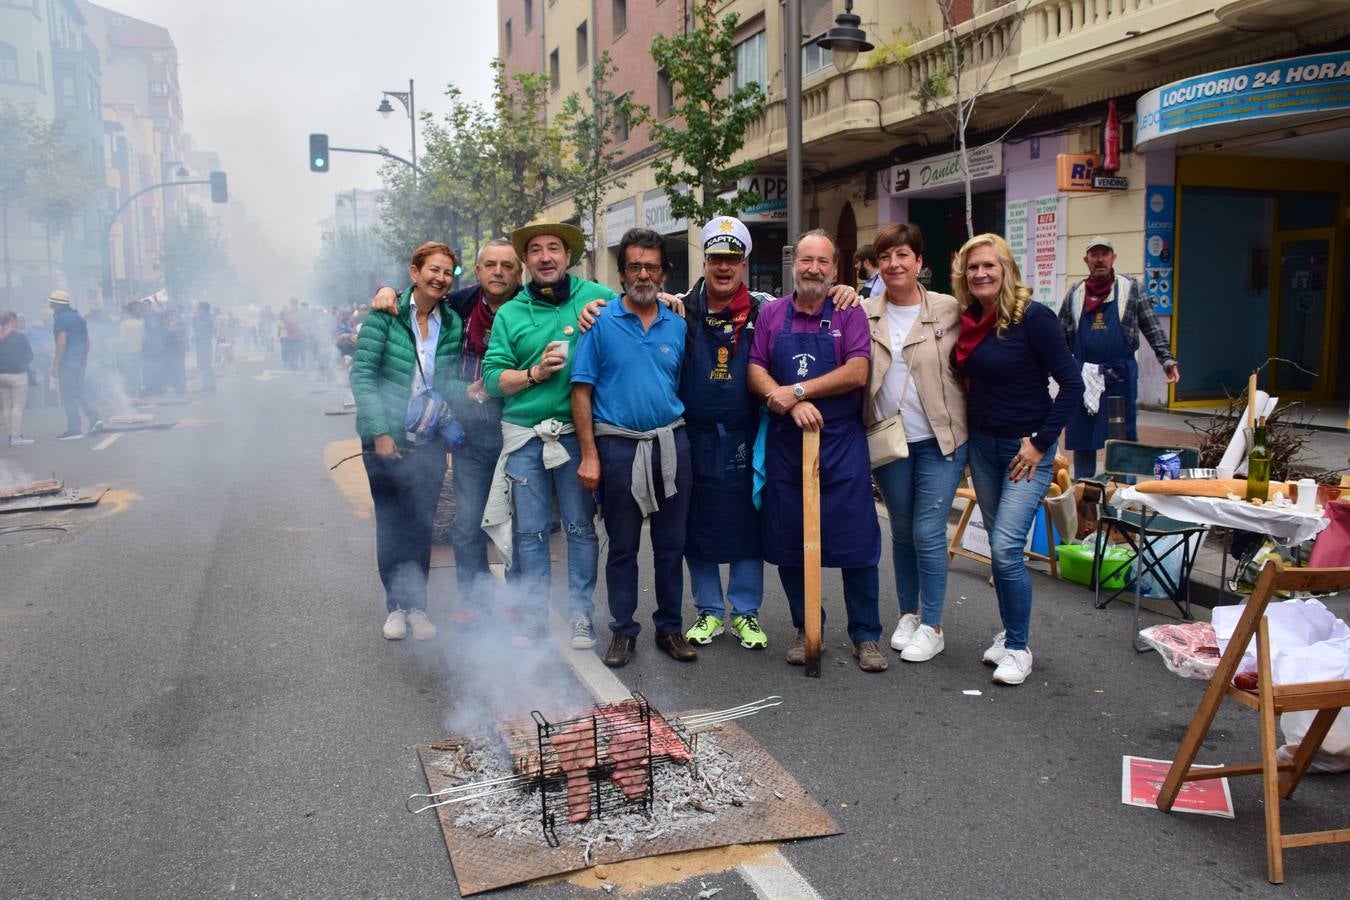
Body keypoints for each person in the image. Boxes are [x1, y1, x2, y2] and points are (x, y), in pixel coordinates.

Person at [747, 229, 887, 673]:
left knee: (858, 544)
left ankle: (866, 636)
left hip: (842, 443)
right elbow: (755, 370)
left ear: (834, 269)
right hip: (788, 444)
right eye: (806, 260)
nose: (813, 269)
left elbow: (857, 370)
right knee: (790, 542)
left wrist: (799, 390)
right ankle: (808, 628)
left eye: (823, 262)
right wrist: (783, 400)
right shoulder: (772, 315)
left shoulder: (850, 312)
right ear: (795, 265)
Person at [952, 233, 1083, 685]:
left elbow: (1072, 385)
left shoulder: (1034, 318)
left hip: (1025, 451)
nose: (981, 274)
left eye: (989, 265)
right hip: (984, 448)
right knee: (998, 549)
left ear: (1006, 269)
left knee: (1007, 548)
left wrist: (1041, 442)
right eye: (973, 268)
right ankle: (1009, 634)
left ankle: (1019, 647)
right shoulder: (971, 320)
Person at [371, 238, 525, 624]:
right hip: (471, 434)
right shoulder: (459, 306)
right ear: (477, 271)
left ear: (518, 272)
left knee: (525, 522)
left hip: (521, 429)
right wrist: (385, 290)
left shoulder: (533, 306)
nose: (498, 272)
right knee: (467, 521)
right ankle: (475, 602)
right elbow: (415, 295)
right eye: (490, 264)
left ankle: (524, 602)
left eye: (507, 265)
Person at [481, 223, 613, 647]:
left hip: (578, 435)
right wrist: (533, 373)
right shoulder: (511, 313)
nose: (545, 257)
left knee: (579, 527)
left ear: (567, 256)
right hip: (524, 434)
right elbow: (492, 378)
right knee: (531, 532)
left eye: (553, 248)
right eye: (535, 250)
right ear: (527, 261)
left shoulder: (597, 297)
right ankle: (534, 618)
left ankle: (580, 617)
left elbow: (641, 309)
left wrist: (669, 300)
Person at [571, 228, 694, 667]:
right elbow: (581, 392)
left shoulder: (677, 323)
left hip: (671, 445)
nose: (644, 273)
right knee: (622, 546)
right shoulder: (598, 322)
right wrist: (589, 455)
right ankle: (623, 631)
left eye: (652, 266)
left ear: (664, 272)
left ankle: (670, 628)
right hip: (619, 449)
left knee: (671, 545)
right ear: (622, 273)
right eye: (635, 266)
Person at [861, 223, 967, 663]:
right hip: (889, 441)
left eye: (903, 255)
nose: (894, 264)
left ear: (920, 262)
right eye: (886, 256)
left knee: (927, 530)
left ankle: (933, 623)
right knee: (902, 530)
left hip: (941, 439)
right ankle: (908, 613)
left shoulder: (949, 309)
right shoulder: (863, 310)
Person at [351, 241, 467, 642]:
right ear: (414, 272)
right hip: (386, 440)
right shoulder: (383, 317)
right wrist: (381, 434)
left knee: (421, 524)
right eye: (433, 270)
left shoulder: (450, 322)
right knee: (392, 523)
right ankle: (395, 607)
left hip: (428, 440)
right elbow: (363, 378)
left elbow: (445, 378)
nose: (440, 278)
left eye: (447, 272)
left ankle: (417, 607)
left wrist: (470, 392)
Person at [1057, 236, 1180, 477]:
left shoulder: (1131, 288)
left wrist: (1167, 360)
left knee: (1121, 439)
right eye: (1094, 255)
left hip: (1119, 377)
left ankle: (1123, 498)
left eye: (1105, 254)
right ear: (1086, 260)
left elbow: (1152, 327)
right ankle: (1085, 499)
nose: (1100, 259)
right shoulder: (1075, 292)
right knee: (1083, 438)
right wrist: (1057, 369)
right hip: (1083, 377)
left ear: (1113, 258)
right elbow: (1059, 336)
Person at [49, 290, 102, 440]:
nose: (50, 305)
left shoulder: (61, 319)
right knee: (80, 392)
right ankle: (95, 419)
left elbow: (62, 342)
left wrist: (55, 364)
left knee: (68, 396)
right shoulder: (79, 318)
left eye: (52, 303)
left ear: (58, 304)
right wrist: (84, 358)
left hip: (67, 362)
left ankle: (74, 428)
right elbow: (87, 341)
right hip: (79, 361)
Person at [0, 309, 34, 445]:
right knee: (17, 406)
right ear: (12, 321)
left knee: (6, 406)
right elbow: (29, 356)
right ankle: (16, 436)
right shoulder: (20, 336)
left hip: (1, 374)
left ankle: (10, 435)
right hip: (17, 374)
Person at [193, 302, 216, 393]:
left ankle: (207, 386)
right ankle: (210, 385)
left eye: (198, 308)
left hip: (204, 344)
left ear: (202, 309)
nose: (197, 310)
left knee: (205, 365)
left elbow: (203, 332)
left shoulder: (206, 319)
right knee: (205, 365)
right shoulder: (203, 318)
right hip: (202, 344)